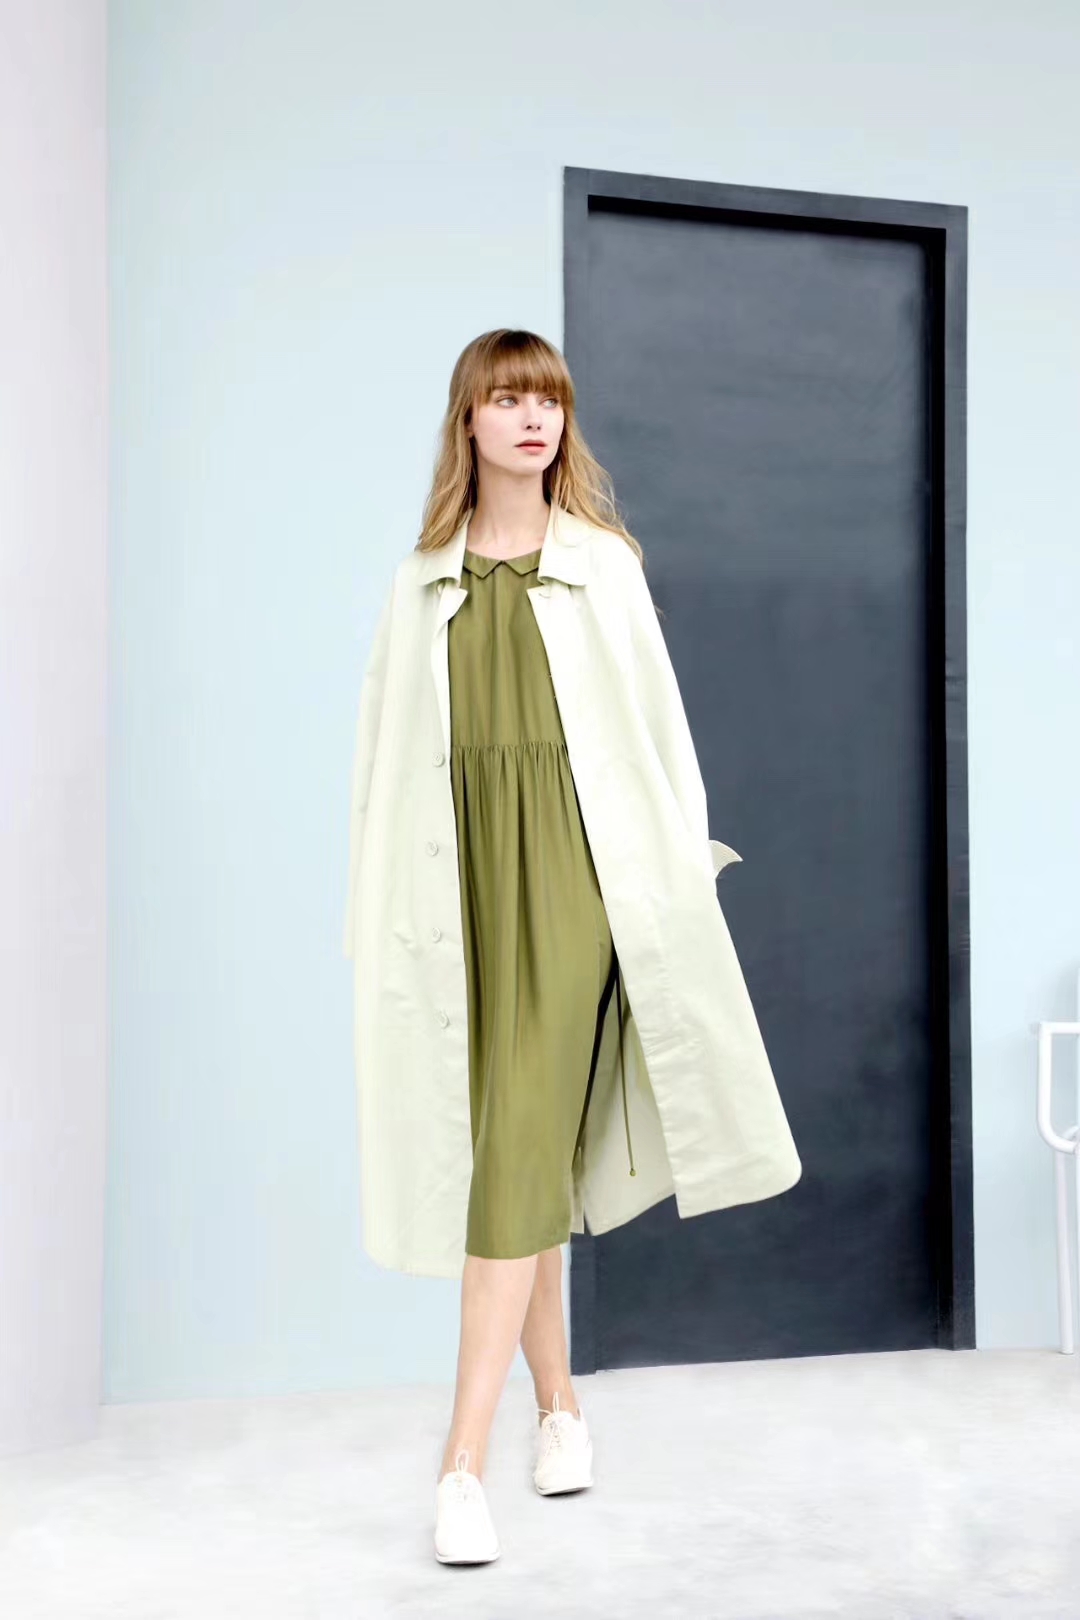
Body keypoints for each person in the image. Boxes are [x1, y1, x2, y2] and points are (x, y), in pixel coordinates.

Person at [343, 327, 801, 1567]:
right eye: (507, 399)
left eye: (546, 399)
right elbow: (383, 762)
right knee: (522, 1153)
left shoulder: (602, 566)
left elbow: (660, 734)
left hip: (576, 883)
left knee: (511, 1159)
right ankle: (561, 1412)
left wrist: (676, 879)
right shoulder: (423, 580)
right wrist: (372, 910)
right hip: (459, 889)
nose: (532, 418)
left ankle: (458, 1465)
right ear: (470, 422)